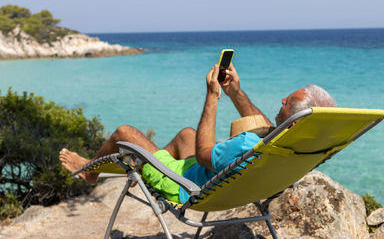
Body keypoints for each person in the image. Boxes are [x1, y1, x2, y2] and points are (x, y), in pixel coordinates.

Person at [60, 63, 336, 204]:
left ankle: (90, 173)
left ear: (293, 121)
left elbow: (204, 155)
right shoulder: (295, 144)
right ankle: (148, 167)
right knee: (185, 134)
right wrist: (235, 92)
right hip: (232, 186)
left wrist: (213, 96)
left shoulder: (246, 145)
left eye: (287, 102)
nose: (281, 100)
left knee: (124, 132)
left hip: (187, 188)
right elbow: (263, 125)